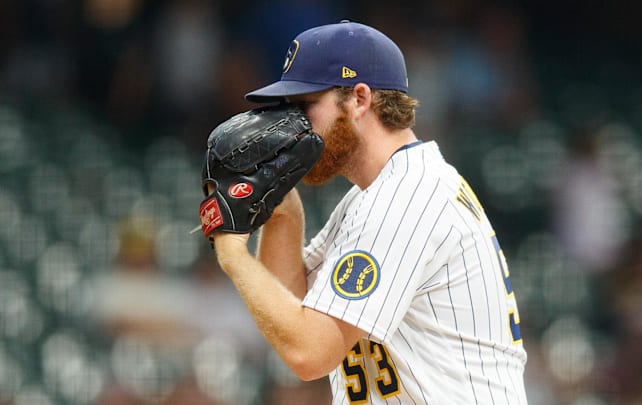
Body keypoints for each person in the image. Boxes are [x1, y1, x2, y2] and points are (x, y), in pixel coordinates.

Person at [208, 20, 528, 404]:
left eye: (305, 106)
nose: (290, 126)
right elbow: (296, 315)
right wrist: (283, 214)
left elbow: (310, 354)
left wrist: (233, 256)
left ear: (359, 99)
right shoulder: (376, 195)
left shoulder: (406, 198)